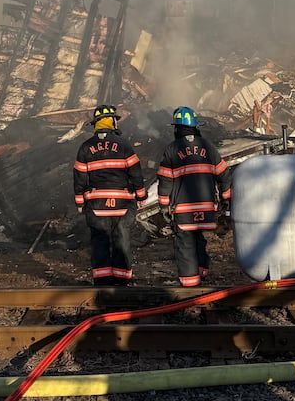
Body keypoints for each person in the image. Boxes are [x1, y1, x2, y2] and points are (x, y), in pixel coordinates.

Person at [156, 106, 231, 288]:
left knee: (185, 243)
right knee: (198, 237)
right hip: (206, 208)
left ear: (177, 128)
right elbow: (224, 173)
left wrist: (164, 205)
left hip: (184, 208)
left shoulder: (172, 149)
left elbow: (165, 180)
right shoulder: (208, 147)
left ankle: (190, 285)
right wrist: (226, 197)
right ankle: (202, 271)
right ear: (196, 127)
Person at [73, 103, 145, 286]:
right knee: (121, 239)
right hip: (122, 203)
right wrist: (141, 196)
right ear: (112, 121)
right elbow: (136, 172)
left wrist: (80, 202)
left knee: (100, 240)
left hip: (96, 205)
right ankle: (121, 282)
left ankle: (103, 281)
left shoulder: (85, 147)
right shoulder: (124, 145)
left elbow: (79, 177)